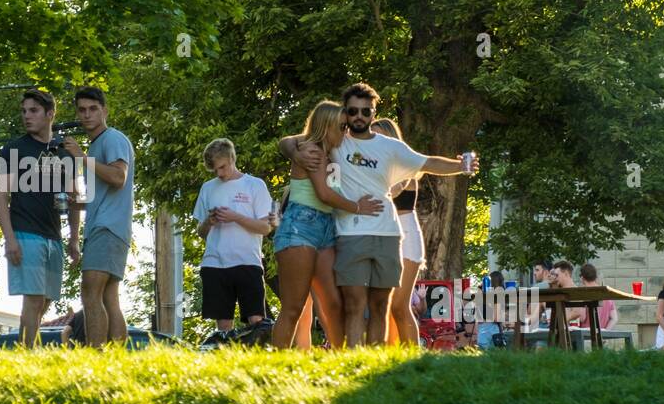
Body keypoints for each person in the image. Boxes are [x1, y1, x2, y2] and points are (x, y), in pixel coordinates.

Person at [281, 82, 478, 346]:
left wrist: (460, 166)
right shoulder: (337, 140)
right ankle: (353, 360)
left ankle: (375, 358)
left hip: (388, 233)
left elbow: (427, 162)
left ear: (374, 113)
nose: (359, 117)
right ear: (345, 113)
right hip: (349, 234)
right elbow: (290, 141)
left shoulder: (390, 147)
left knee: (380, 306)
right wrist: (295, 153)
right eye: (353, 111)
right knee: (353, 304)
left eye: (366, 111)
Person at [271, 100, 381, 349]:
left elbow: (288, 142)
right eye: (341, 127)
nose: (345, 131)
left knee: (334, 303)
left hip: (326, 229)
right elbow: (324, 193)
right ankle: (276, 361)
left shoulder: (335, 152)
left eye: (346, 126)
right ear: (326, 127)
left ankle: (341, 359)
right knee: (294, 307)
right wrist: (357, 207)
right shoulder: (312, 150)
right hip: (300, 226)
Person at [0, 89, 77, 348]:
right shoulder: (13, 149)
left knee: (45, 300)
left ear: (50, 114)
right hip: (25, 233)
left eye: (34, 111)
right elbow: (0, 195)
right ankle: (28, 354)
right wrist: (10, 239)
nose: (27, 116)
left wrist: (74, 238)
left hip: (54, 236)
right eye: (24, 111)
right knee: (34, 299)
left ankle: (25, 349)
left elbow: (74, 197)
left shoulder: (64, 152)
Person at [62, 86, 133, 347]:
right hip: (107, 228)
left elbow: (118, 177)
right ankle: (115, 358)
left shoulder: (112, 138)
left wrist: (81, 158)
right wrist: (78, 204)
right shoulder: (95, 148)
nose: (87, 114)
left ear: (105, 110)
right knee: (108, 297)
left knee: (90, 293)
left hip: (108, 228)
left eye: (93, 109)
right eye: (82, 110)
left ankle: (96, 353)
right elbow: (104, 194)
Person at [193, 138, 278, 342]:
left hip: (247, 261)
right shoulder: (208, 188)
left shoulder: (254, 185)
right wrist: (209, 221)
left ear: (232, 158)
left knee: (256, 321)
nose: (219, 174)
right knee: (223, 327)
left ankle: (258, 355)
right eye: (215, 170)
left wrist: (235, 217)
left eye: (222, 167)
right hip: (214, 263)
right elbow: (201, 232)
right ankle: (226, 356)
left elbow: (266, 228)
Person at [370, 118, 424, 346]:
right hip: (385, 235)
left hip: (407, 235)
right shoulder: (373, 167)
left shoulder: (403, 166)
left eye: (379, 135)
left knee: (400, 304)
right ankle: (393, 353)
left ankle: (413, 354)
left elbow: (393, 190)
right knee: (385, 304)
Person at [573, 263, 618, 331]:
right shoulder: (606, 294)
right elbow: (614, 318)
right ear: (595, 277)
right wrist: (605, 332)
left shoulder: (584, 295)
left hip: (586, 334)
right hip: (602, 334)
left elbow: (582, 318)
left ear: (582, 278)